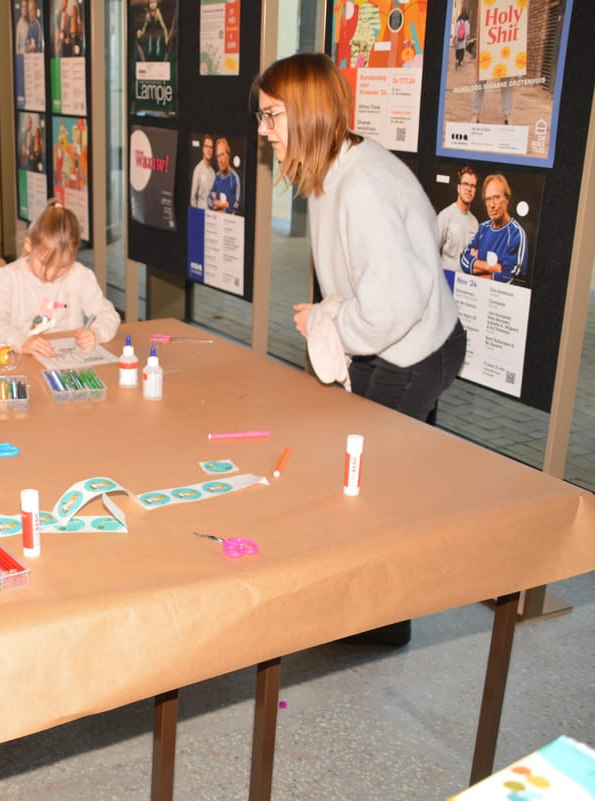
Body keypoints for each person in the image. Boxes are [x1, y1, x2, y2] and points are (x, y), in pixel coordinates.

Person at [253, 53, 466, 646]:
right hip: (392, 339)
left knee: (368, 483)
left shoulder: (363, 184)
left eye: (272, 117)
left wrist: (333, 321)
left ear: (307, 115)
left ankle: (376, 621)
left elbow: (393, 305)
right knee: (363, 473)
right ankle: (360, 606)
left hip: (412, 350)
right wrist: (333, 315)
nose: (264, 131)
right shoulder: (331, 167)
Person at [0, 200, 119, 358]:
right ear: (29, 244)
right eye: (44, 263)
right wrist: (21, 341)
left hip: (67, 361)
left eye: (62, 267)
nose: (50, 275)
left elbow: (108, 315)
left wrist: (96, 333)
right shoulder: (8, 277)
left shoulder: (81, 276)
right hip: (21, 359)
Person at [459, 174, 526, 284]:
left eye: (496, 197)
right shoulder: (482, 229)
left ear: (506, 199)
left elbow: (508, 278)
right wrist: (492, 268)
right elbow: (464, 259)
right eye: (488, 199)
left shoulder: (516, 234)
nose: (492, 205)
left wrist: (476, 267)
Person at [437, 166, 479, 272]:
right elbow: (431, 252)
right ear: (458, 188)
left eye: (473, 186)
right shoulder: (445, 216)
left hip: (465, 285)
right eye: (465, 184)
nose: (469, 189)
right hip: (446, 282)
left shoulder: (475, 224)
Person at [208, 137, 242, 214]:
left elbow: (235, 206)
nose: (220, 160)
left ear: (228, 155)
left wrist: (218, 204)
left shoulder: (234, 178)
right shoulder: (216, 177)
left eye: (222, 154)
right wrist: (224, 204)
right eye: (218, 156)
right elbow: (210, 202)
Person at [189, 133, 216, 210]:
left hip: (211, 216)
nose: (209, 150)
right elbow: (193, 198)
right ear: (203, 149)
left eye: (211, 147)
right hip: (200, 213)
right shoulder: (198, 169)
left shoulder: (213, 172)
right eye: (207, 146)